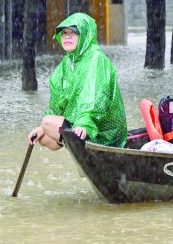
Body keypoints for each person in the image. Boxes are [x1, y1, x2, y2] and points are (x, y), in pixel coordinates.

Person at [28, 13, 127, 150]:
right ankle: (76, 142)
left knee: (48, 122)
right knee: (44, 139)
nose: (67, 36)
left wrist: (85, 124)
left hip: (103, 131)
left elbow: (97, 98)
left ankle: (79, 142)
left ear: (85, 35)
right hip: (78, 123)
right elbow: (59, 101)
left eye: (73, 32)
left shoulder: (96, 59)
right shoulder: (67, 62)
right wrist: (41, 129)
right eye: (64, 32)